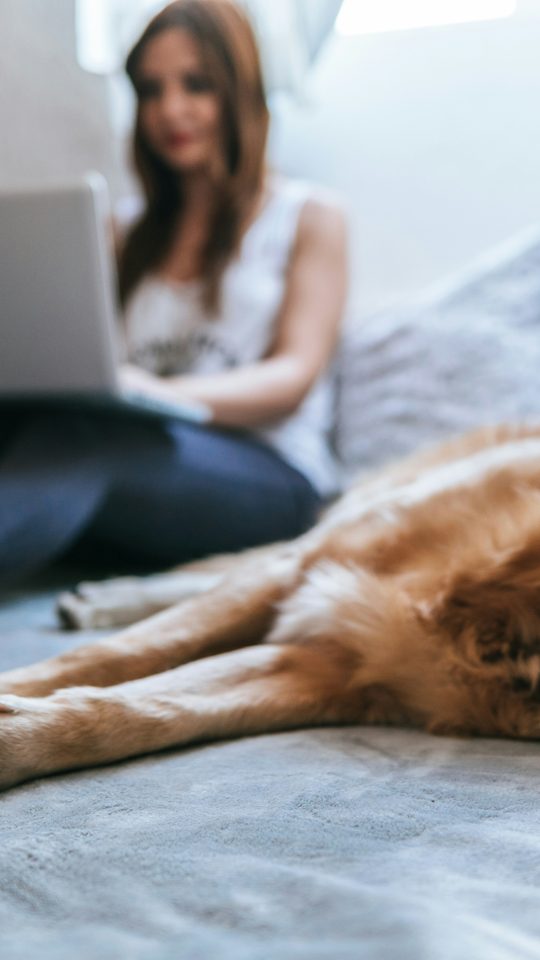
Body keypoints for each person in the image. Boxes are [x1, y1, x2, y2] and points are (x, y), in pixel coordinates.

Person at [0, 0, 347, 587]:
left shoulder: (309, 218)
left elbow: (293, 377)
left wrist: (161, 392)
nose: (171, 110)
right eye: (152, 90)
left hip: (268, 475)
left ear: (239, 92)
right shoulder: (120, 230)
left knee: (89, 446)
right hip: (132, 457)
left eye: (196, 85)